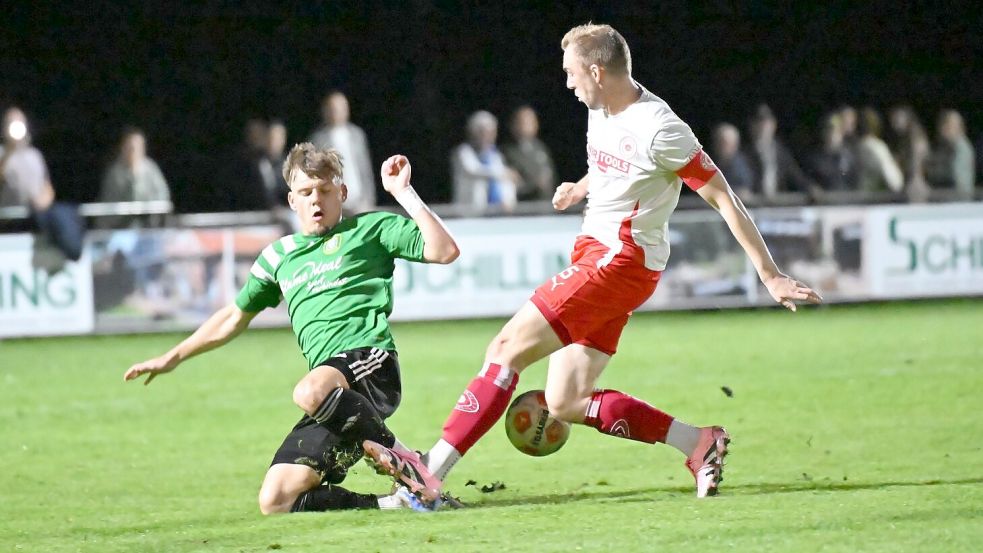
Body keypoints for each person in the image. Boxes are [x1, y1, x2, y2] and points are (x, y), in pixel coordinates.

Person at [365, 23, 822, 500]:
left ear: (598, 71)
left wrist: (769, 274)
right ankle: (699, 442)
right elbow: (614, 160)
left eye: (570, 73)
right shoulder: (602, 107)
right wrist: (582, 187)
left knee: (505, 349)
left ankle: (426, 477)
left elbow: (723, 197)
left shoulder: (661, 129)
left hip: (618, 262)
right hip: (602, 256)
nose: (567, 83)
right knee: (565, 401)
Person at [123, 144, 460, 513]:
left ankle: (409, 463)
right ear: (291, 200)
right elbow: (234, 317)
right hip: (333, 400)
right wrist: (172, 357)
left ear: (342, 193)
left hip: (372, 366)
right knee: (276, 498)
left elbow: (444, 250)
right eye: (306, 192)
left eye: (326, 191)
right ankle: (395, 501)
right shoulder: (279, 257)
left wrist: (403, 193)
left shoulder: (371, 229)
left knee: (309, 389)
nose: (317, 200)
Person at [1, 106, 83, 261]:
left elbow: (47, 186)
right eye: (11, 123)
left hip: (35, 219)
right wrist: (8, 152)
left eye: (19, 122)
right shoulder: (2, 155)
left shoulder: (35, 155)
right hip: (10, 222)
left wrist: (43, 201)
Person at [309, 91, 376, 213]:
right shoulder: (318, 139)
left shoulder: (357, 134)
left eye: (341, 108)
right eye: (333, 109)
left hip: (360, 201)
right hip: (334, 202)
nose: (337, 112)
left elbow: (365, 169)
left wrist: (369, 198)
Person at [744, 103, 818, 201]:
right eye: (758, 123)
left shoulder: (781, 152)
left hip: (778, 204)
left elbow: (795, 175)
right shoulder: (744, 153)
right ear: (751, 126)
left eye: (766, 123)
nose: (763, 127)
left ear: (774, 125)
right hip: (753, 205)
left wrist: (810, 187)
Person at [450, 110, 518, 214]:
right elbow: (473, 170)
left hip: (496, 212)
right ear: (472, 132)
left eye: (491, 132)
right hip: (469, 213)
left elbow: (505, 181)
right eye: (482, 132)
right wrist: (501, 173)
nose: (487, 136)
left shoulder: (495, 156)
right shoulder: (463, 152)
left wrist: (509, 200)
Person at [99, 127, 171, 203]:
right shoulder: (114, 173)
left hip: (148, 213)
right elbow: (108, 199)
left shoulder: (151, 169)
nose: (133, 151)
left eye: (137, 147)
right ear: (123, 148)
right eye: (130, 147)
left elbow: (162, 194)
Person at [502, 105, 557, 201]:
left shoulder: (540, 147)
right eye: (523, 122)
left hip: (545, 204)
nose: (527, 125)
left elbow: (550, 176)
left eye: (531, 121)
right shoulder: (506, 152)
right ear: (513, 125)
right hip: (524, 207)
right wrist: (534, 184)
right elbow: (512, 183)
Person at [926, 109, 975, 201]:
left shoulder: (961, 148)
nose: (943, 129)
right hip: (945, 200)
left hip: (958, 202)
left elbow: (956, 176)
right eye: (943, 125)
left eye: (948, 126)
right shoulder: (943, 146)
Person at [886, 106, 930, 202]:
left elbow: (918, 159)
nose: (894, 123)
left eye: (897, 119)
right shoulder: (903, 139)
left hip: (916, 182)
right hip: (909, 180)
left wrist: (916, 178)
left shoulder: (916, 136)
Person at [806, 112, 858, 193]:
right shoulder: (814, 160)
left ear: (841, 133)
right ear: (823, 133)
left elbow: (856, 182)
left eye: (836, 130)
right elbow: (809, 182)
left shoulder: (849, 158)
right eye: (828, 130)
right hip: (824, 203)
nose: (832, 134)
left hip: (847, 202)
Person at [855, 107, 904, 194]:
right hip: (873, 199)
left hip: (862, 196)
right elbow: (895, 182)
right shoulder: (876, 147)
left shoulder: (856, 147)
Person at [709, 122, 754, 195]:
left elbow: (744, 191)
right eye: (718, 142)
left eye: (725, 143)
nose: (721, 146)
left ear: (735, 145)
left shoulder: (743, 167)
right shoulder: (706, 163)